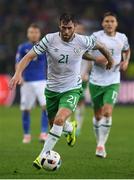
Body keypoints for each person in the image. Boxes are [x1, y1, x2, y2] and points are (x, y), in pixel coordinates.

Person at [10, 13, 114, 169]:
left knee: (59, 120)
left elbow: (102, 47)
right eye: (64, 28)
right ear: (59, 26)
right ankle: (70, 128)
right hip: (52, 89)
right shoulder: (49, 39)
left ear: (74, 27)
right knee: (55, 124)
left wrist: (110, 60)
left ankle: (42, 156)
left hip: (72, 88)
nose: (66, 31)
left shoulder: (82, 40)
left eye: (70, 28)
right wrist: (18, 73)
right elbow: (29, 56)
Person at [88, 12, 130, 158]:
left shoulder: (122, 37)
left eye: (112, 21)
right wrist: (96, 59)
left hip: (113, 81)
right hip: (95, 81)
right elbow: (83, 53)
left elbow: (127, 50)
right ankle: (98, 142)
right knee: (98, 116)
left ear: (116, 24)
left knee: (107, 112)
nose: (109, 23)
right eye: (107, 21)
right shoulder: (95, 37)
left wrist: (126, 61)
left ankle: (101, 145)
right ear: (102, 23)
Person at [15, 23, 48, 143]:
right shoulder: (23, 47)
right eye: (31, 32)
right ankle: (27, 134)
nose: (33, 34)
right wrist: (19, 75)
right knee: (26, 109)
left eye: (36, 32)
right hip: (27, 82)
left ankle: (43, 133)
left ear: (39, 34)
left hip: (42, 81)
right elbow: (18, 63)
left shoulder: (44, 47)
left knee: (45, 107)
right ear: (28, 34)